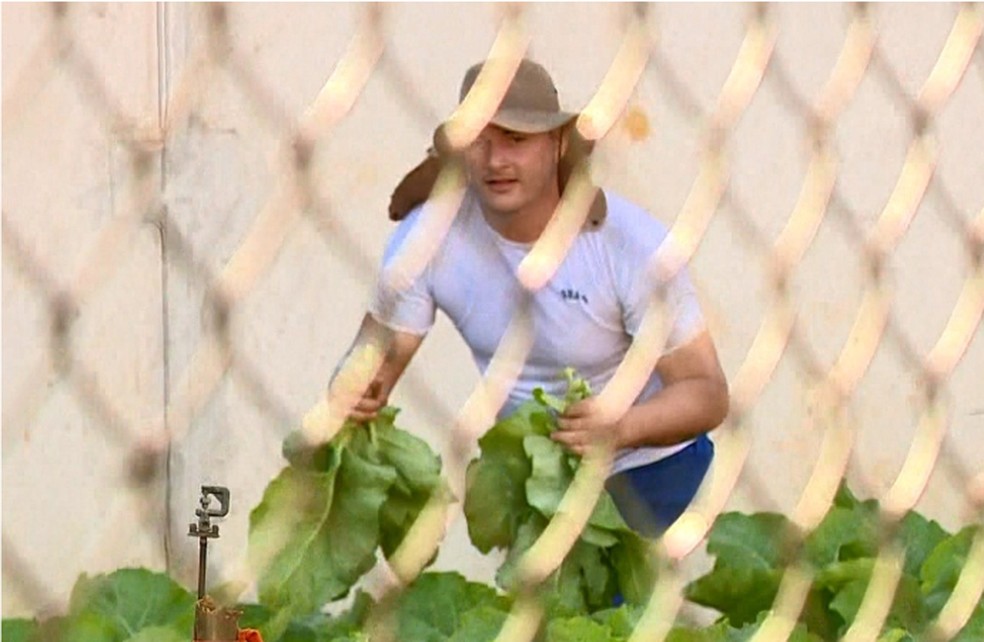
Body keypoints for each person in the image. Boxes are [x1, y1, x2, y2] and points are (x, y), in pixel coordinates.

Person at [333, 58, 729, 537]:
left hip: (654, 466)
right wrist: (354, 388)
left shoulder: (629, 243)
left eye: (515, 139)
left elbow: (707, 393)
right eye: (479, 140)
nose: (495, 160)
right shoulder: (428, 237)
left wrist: (620, 427)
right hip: (538, 473)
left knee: (623, 586)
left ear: (557, 143)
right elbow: (376, 359)